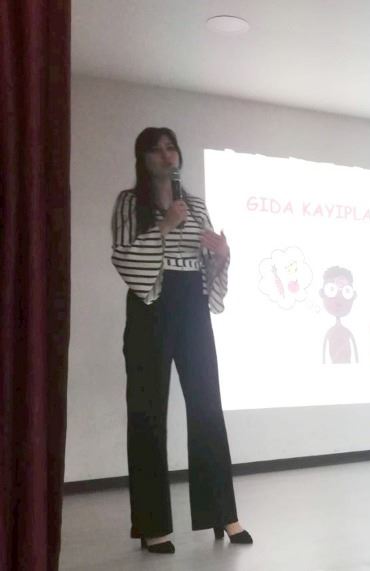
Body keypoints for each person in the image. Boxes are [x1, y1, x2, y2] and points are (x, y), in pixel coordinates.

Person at [111, 127, 252, 554]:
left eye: (171, 148)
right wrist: (164, 227)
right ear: (143, 158)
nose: (167, 156)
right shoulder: (130, 203)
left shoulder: (195, 204)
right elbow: (124, 257)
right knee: (148, 410)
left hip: (191, 302)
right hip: (151, 304)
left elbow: (205, 260)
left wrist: (221, 254)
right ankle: (153, 524)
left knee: (207, 405)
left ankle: (222, 513)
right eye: (157, 150)